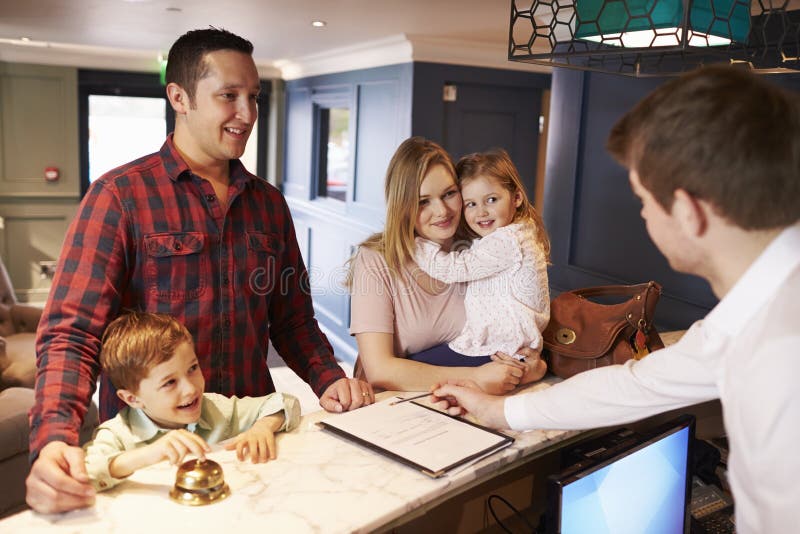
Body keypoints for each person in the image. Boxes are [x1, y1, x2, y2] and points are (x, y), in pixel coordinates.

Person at [430, 65, 800, 533]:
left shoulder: (782, 349)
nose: (644, 216)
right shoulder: (751, 316)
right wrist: (500, 410)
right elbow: (637, 385)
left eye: (643, 200)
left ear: (688, 213)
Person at [26, 28, 373, 514]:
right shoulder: (119, 196)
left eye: (253, 96)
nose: (247, 114)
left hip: (255, 443)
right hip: (155, 458)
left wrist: (328, 378)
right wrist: (54, 439)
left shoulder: (269, 204)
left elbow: (292, 318)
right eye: (228, 96)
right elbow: (72, 333)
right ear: (179, 97)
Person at [348, 137, 547, 394]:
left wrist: (532, 367)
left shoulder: (478, 246)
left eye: (449, 194)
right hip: (393, 402)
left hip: (463, 399)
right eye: (423, 201)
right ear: (403, 207)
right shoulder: (376, 260)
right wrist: (474, 378)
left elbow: (513, 327)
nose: (442, 210)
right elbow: (379, 370)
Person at [84, 312, 300, 491]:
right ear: (133, 398)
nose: (191, 388)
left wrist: (262, 428)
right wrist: (147, 455)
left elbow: (284, 402)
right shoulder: (117, 434)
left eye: (193, 368)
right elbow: (86, 474)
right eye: (169, 383)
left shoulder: (215, 410)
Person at [412, 149, 550, 363]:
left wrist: (415, 244)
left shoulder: (507, 240)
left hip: (502, 347)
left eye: (492, 199)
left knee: (416, 364)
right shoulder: (517, 232)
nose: (481, 212)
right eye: (471, 204)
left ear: (517, 198)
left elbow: (454, 269)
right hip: (507, 345)